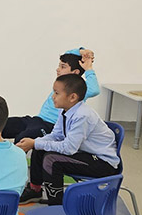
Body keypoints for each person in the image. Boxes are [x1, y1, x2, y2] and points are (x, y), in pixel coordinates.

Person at [16, 74, 120, 205]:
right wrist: (34, 142)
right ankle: (35, 190)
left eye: (56, 93)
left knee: (51, 160)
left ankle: (56, 206)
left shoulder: (82, 115)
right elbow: (56, 135)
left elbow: (69, 148)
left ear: (72, 97)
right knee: (40, 148)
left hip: (103, 163)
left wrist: (36, 143)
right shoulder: (65, 110)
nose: (53, 96)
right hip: (84, 153)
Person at [2, 47, 98, 144]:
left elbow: (94, 89)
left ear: (75, 72)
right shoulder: (60, 83)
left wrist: (89, 68)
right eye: (59, 66)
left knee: (22, 138)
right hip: (36, 120)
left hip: (50, 126)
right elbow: (69, 54)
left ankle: (13, 158)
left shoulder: (78, 89)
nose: (58, 69)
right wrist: (82, 52)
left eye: (63, 67)